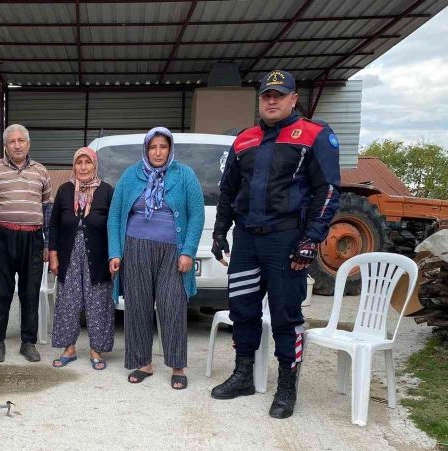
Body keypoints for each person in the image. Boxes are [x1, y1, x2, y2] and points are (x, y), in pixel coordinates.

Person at [209, 69, 341, 419]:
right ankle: (243, 375)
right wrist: (220, 232)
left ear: (293, 99)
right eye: (266, 95)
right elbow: (228, 191)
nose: (271, 101)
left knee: (286, 315)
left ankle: (286, 386)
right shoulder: (244, 139)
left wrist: (311, 239)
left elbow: (328, 191)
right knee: (242, 309)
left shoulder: (314, 134)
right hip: (246, 240)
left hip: (287, 240)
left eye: (279, 95)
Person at [107, 127, 205, 390]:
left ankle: (177, 366)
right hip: (135, 249)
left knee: (172, 305)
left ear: (170, 148)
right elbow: (115, 215)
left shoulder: (184, 175)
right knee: (137, 307)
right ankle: (144, 363)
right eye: (153, 147)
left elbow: (197, 215)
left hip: (173, 252)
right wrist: (115, 252)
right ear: (146, 149)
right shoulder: (131, 175)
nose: (158, 152)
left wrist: (188, 251)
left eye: (163, 146)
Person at [0, 124, 52, 364]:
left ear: (28, 144)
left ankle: (28, 342)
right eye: (12, 141)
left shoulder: (41, 171)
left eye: (21, 141)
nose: (17, 145)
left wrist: (47, 243)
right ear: (5, 145)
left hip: (32, 238)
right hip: (0, 237)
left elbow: (47, 210)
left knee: (30, 292)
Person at [48, 148, 115, 369]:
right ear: (74, 165)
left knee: (98, 303)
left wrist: (114, 255)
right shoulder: (64, 190)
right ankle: (69, 349)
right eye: (79, 162)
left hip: (98, 255)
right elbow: (54, 225)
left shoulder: (106, 191)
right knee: (68, 301)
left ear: (95, 165)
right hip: (68, 254)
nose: (83, 167)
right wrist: (53, 255)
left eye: (88, 162)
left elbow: (114, 225)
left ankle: (97, 350)